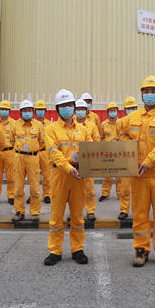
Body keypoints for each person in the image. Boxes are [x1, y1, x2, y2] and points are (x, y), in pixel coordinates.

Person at [120, 76, 155, 267]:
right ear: (141, 94)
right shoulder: (132, 117)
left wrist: (149, 161)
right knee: (139, 215)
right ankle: (141, 250)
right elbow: (120, 132)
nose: (149, 95)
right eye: (146, 91)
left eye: (153, 91)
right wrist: (127, 144)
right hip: (139, 175)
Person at [44, 89, 91, 266]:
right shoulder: (50, 130)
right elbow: (54, 153)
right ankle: (55, 250)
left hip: (79, 176)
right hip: (60, 175)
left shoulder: (83, 130)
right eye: (63, 105)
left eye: (69, 105)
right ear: (57, 108)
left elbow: (91, 151)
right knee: (56, 215)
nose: (67, 108)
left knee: (77, 216)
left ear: (74, 106)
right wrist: (69, 168)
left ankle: (77, 249)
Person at [12, 99, 46, 222]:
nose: (27, 112)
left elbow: (42, 142)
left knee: (35, 186)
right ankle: (19, 211)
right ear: (20, 112)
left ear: (33, 111)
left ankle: (35, 212)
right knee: (18, 186)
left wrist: (33, 150)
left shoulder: (38, 125)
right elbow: (11, 140)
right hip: (19, 157)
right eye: (24, 110)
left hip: (33, 157)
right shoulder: (15, 125)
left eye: (29, 110)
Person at [99, 102, 127, 219]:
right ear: (107, 112)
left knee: (119, 175)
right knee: (108, 175)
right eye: (110, 110)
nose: (112, 112)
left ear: (117, 111)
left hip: (119, 152)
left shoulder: (121, 123)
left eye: (114, 110)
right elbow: (101, 138)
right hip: (107, 153)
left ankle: (120, 193)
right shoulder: (103, 124)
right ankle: (105, 194)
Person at [76, 99, 101, 221]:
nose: (80, 111)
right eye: (78, 109)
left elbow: (97, 142)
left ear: (87, 111)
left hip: (88, 161)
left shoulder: (92, 126)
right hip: (74, 162)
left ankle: (90, 211)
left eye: (83, 109)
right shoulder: (71, 125)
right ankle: (76, 211)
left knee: (89, 188)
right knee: (75, 190)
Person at [116, 96, 138, 218]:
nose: (131, 110)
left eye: (133, 108)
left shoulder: (141, 121)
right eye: (129, 108)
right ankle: (124, 210)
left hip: (139, 159)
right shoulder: (120, 122)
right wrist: (131, 142)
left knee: (138, 188)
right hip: (125, 158)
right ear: (124, 110)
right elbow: (119, 138)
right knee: (124, 187)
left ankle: (137, 210)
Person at [0, 100, 16, 205]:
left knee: (11, 175)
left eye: (6, 109)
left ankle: (11, 195)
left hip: (10, 152)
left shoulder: (14, 123)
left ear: (9, 111)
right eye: (2, 109)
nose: (4, 111)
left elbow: (16, 138)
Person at [35, 99, 52, 204]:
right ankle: (34, 194)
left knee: (47, 175)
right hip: (34, 153)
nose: (40, 111)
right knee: (34, 175)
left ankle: (47, 194)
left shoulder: (49, 124)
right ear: (35, 111)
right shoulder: (32, 124)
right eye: (38, 110)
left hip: (45, 152)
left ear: (45, 111)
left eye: (42, 110)